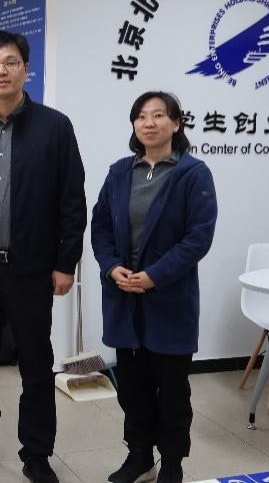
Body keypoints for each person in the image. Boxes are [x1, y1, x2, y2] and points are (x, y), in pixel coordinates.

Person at [0, 30, 86, 483]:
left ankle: (37, 455)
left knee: (35, 366)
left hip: (31, 271)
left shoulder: (55, 127)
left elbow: (72, 200)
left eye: (10, 62)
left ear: (26, 68)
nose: (1, 71)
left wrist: (65, 262)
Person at [90, 91, 218, 483]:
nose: (149, 123)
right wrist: (112, 267)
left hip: (169, 300)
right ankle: (140, 457)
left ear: (176, 123)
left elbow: (198, 238)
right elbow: (100, 225)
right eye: (141, 116)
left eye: (159, 115)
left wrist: (154, 276)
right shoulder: (119, 172)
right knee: (132, 389)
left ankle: (172, 463)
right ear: (134, 124)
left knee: (173, 392)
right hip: (123, 298)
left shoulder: (193, 173)